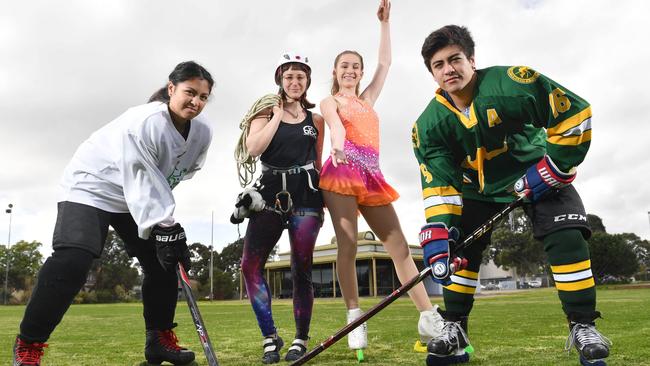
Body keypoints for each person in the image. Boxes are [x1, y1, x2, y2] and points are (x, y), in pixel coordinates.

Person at [413, 25, 612, 365]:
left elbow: (574, 114)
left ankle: (583, 326)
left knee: (567, 233)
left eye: (455, 59)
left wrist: (556, 166)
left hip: (536, 173)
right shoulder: (428, 125)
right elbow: (440, 183)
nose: (448, 69)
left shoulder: (512, 83)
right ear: (432, 72)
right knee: (458, 248)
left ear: (471, 60)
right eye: (438, 64)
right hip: (478, 188)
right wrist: (440, 229)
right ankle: (455, 328)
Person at [12, 61, 214, 366]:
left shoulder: (202, 133)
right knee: (74, 259)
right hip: (92, 185)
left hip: (132, 195)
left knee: (163, 261)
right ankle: (29, 344)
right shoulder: (146, 121)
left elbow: (170, 177)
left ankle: (158, 339)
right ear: (171, 88)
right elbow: (143, 177)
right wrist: (166, 223)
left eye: (203, 97)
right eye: (190, 92)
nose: (196, 102)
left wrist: (166, 231)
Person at [318, 0, 443, 358]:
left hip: (371, 176)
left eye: (356, 67)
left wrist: (385, 24)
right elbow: (336, 125)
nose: (351, 71)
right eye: (345, 66)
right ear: (336, 70)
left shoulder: (369, 99)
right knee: (349, 246)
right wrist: (338, 146)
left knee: (399, 246)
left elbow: (385, 63)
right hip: (341, 173)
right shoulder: (330, 100)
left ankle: (428, 317)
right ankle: (355, 317)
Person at [237, 52, 325, 364]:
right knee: (250, 265)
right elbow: (253, 148)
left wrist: (325, 202)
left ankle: (301, 338)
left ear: (308, 81)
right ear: (280, 80)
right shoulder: (263, 111)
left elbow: (317, 161)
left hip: (306, 196)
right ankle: (270, 336)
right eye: (289, 76)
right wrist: (276, 115)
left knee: (301, 268)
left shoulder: (316, 120)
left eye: (301, 76)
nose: (295, 81)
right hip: (268, 195)